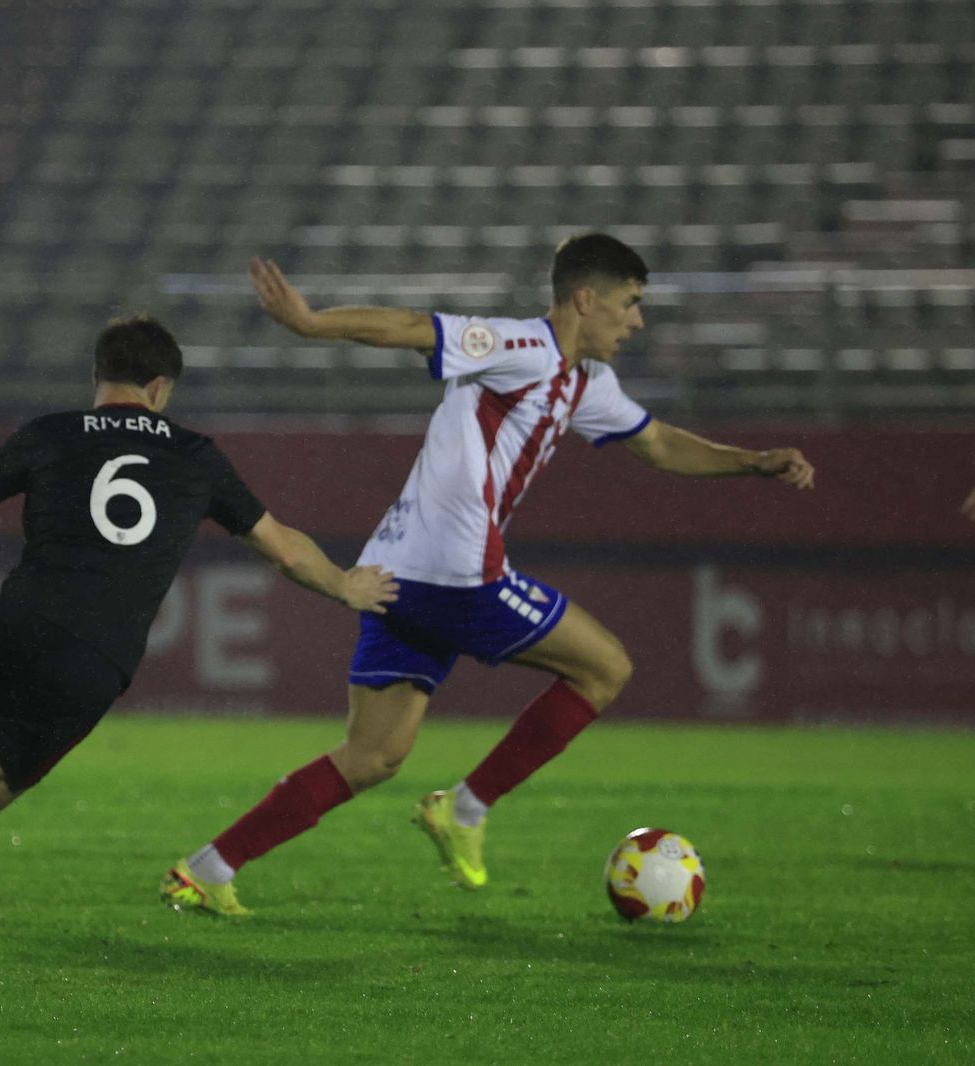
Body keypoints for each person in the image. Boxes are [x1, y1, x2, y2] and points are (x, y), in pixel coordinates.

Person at [161, 234, 816, 917]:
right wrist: (311, 321)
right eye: (630, 303)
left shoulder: (586, 383)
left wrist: (751, 461)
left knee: (374, 755)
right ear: (584, 299)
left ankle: (205, 868)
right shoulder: (519, 347)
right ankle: (464, 808)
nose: (637, 321)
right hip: (457, 569)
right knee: (605, 669)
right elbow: (418, 329)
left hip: (400, 570)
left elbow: (656, 442)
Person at [0, 314, 398, 925]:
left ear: (97, 374)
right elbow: (285, 549)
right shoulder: (195, 456)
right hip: (92, 650)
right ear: (159, 388)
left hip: (14, 621)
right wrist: (346, 586)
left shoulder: (49, 432)